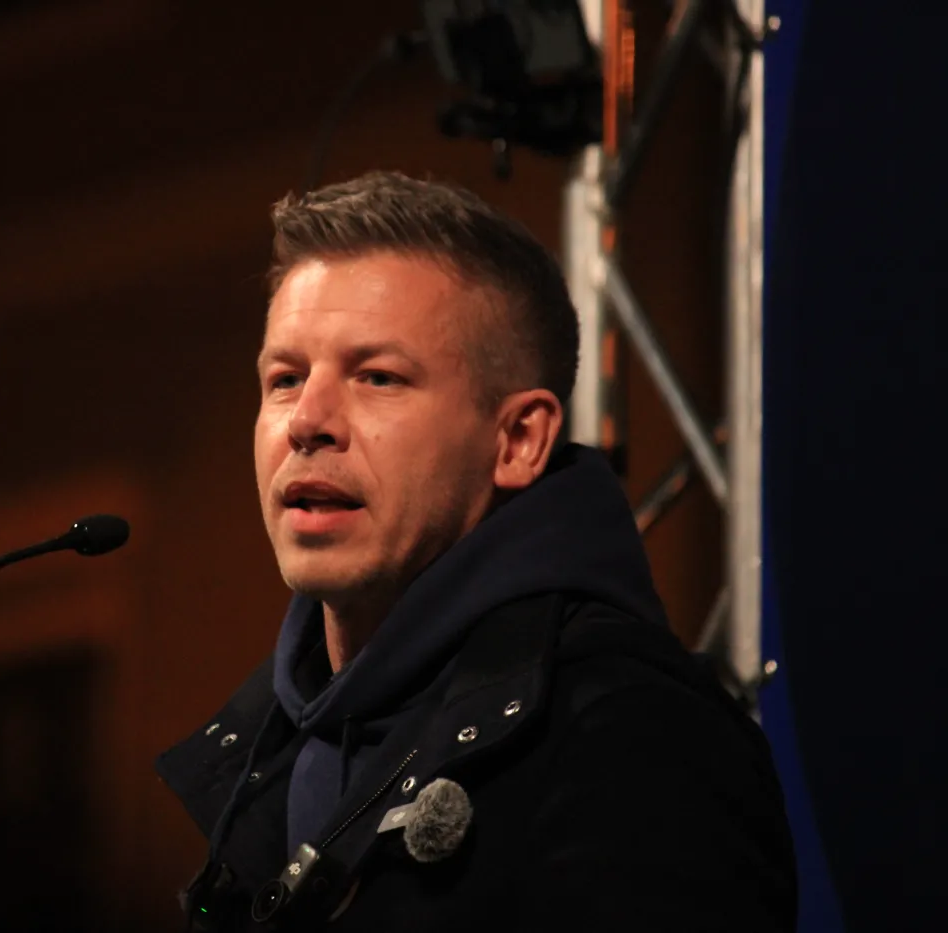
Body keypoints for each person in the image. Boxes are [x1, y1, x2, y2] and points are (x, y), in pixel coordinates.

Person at [155, 171, 796, 932]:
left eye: (378, 377)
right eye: (285, 378)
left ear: (519, 439)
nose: (308, 421)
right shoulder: (264, 754)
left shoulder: (632, 736)